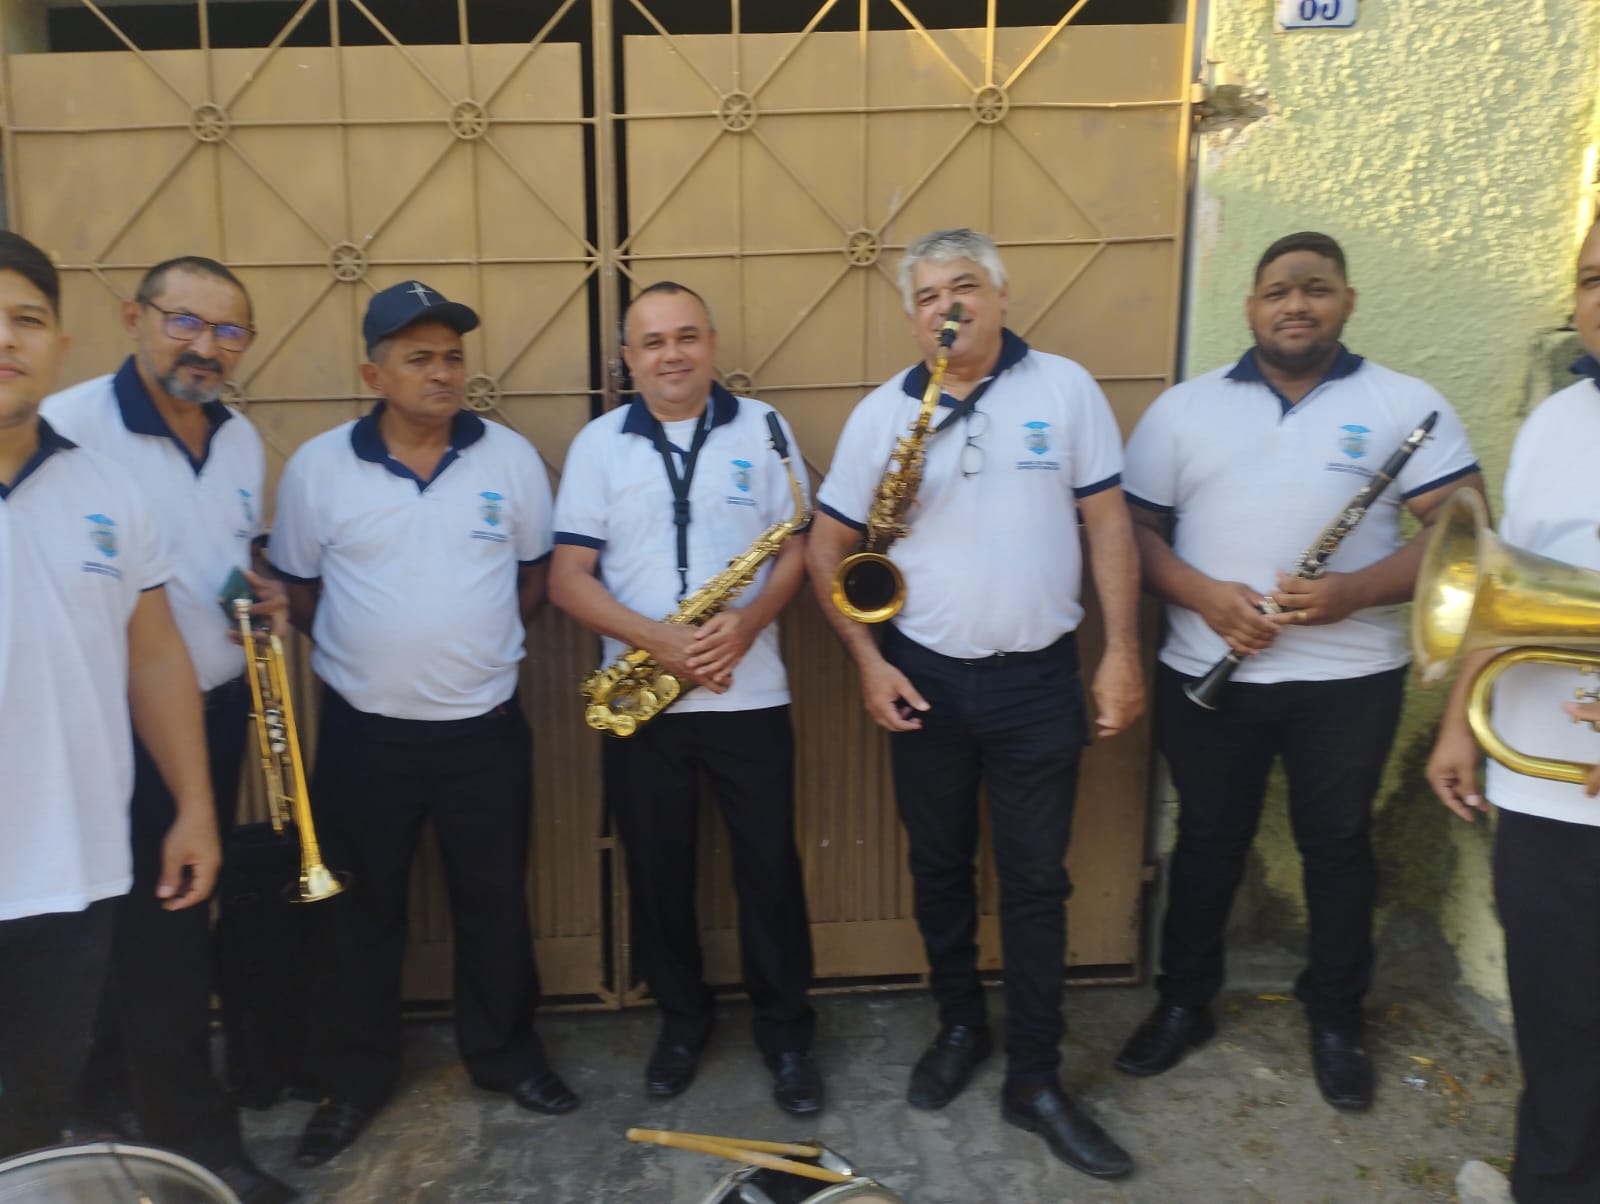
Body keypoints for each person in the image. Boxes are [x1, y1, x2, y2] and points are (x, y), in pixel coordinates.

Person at [1115, 231, 1481, 1112]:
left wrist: (1355, 592)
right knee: (1207, 841)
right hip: (1207, 667)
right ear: (1251, 307)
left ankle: (1335, 1016)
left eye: (1316, 289)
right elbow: (1133, 535)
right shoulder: (1185, 409)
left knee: (1338, 846)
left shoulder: (1406, 403)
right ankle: (1184, 1002)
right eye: (1278, 290)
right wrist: (1205, 597)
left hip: (1350, 680)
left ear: (1346, 302)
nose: (1296, 305)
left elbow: (1463, 534)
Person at [805, 228, 1144, 1180]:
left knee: (1038, 884)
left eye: (963, 288)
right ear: (911, 316)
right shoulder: (884, 414)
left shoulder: (1065, 390)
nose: (945, 308)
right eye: (926, 296)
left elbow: (1109, 526)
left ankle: (1034, 1079)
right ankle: (961, 1024)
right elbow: (825, 549)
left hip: (1039, 680)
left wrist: (1121, 653)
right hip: (926, 677)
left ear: (998, 295)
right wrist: (868, 663)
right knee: (940, 866)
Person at [267, 280, 574, 1167]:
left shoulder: (508, 459)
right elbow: (301, 588)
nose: (442, 373)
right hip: (366, 737)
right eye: (419, 359)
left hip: (484, 729)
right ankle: (354, 1080)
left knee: (494, 903)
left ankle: (506, 1056)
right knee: (359, 917)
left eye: (452, 357)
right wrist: (371, 656)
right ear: (375, 374)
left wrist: (475, 648)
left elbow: (535, 576)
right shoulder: (320, 469)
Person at [42, 256, 295, 1204]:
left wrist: (263, 598)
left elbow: (225, 564)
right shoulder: (66, 426)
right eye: (185, 321)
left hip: (213, 719)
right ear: (133, 318)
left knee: (165, 929)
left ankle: (111, 1109)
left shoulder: (240, 439)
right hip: (107, 729)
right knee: (149, 942)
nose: (205, 347)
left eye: (228, 331)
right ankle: (198, 1149)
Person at [548, 282, 821, 1115]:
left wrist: (747, 624)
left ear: (712, 343)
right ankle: (681, 1023)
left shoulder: (764, 427)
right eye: (653, 342)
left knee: (769, 871)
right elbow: (567, 578)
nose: (672, 354)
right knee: (657, 872)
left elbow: (798, 547)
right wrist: (658, 640)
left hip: (750, 691)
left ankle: (787, 1035)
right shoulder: (598, 445)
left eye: (687, 336)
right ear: (627, 360)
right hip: (643, 699)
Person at [0, 231, 221, 1158]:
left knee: (31, 1117)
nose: (5, 338)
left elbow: (155, 658)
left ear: (59, 344)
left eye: (26, 319)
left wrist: (195, 807)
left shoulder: (107, 491)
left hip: (72, 871)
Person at [1425, 219, 1600, 1203]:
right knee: (1556, 1021)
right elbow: (1503, 588)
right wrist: (1461, 721)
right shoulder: (1555, 421)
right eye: (1590, 277)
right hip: (1543, 782)